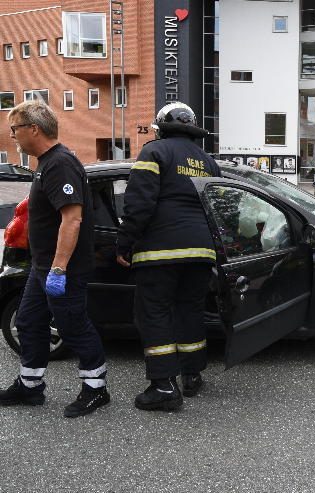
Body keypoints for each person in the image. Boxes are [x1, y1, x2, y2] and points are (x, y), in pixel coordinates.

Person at [0, 101, 110, 417]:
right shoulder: (47, 163)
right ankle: (30, 387)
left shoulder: (59, 164)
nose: (13, 136)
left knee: (72, 324)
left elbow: (72, 219)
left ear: (33, 129)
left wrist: (59, 268)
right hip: (43, 265)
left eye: (15, 129)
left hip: (62, 267)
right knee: (28, 321)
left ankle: (96, 388)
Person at [116, 102, 221, 411]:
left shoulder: (154, 152)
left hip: (160, 251)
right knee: (190, 311)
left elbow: (139, 204)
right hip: (201, 251)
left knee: (155, 313)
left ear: (161, 128)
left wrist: (124, 243)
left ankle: (163, 386)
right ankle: (191, 376)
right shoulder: (208, 163)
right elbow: (219, 208)